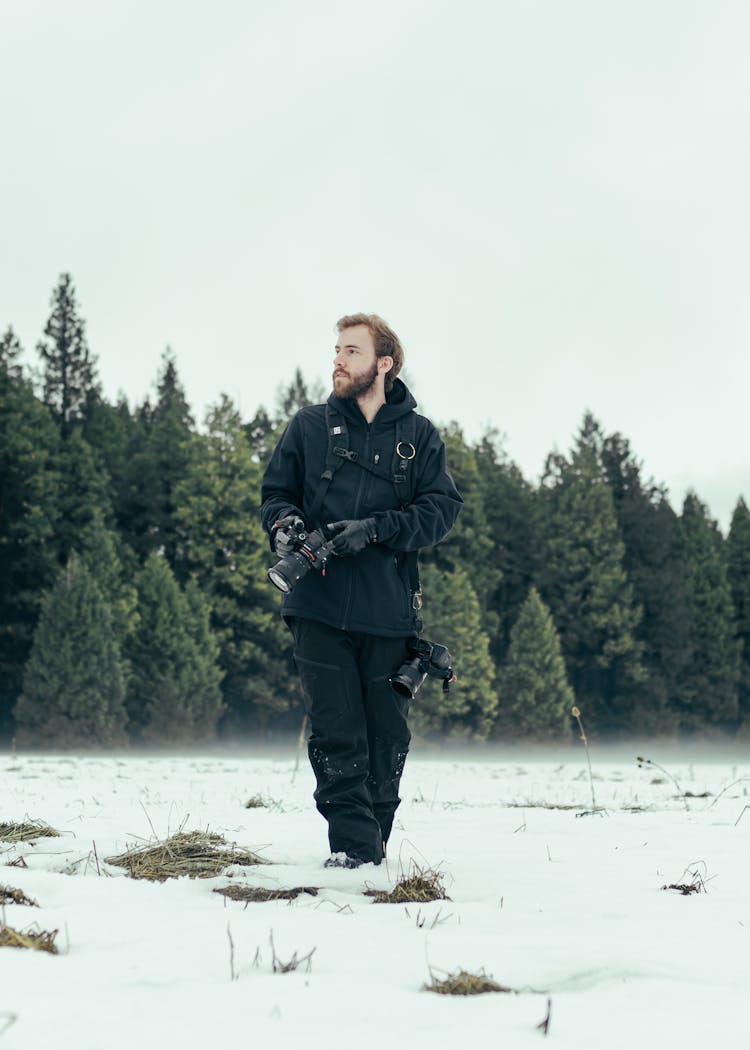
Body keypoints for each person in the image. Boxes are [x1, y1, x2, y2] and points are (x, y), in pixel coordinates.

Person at [260, 313, 462, 868]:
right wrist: (285, 527)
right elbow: (275, 494)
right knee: (336, 733)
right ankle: (354, 854)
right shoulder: (307, 426)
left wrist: (374, 530)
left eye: (351, 351)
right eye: (337, 350)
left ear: (385, 364)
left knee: (386, 739)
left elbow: (441, 513)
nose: (338, 360)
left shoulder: (419, 437)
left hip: (389, 612)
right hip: (316, 608)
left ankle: (371, 850)